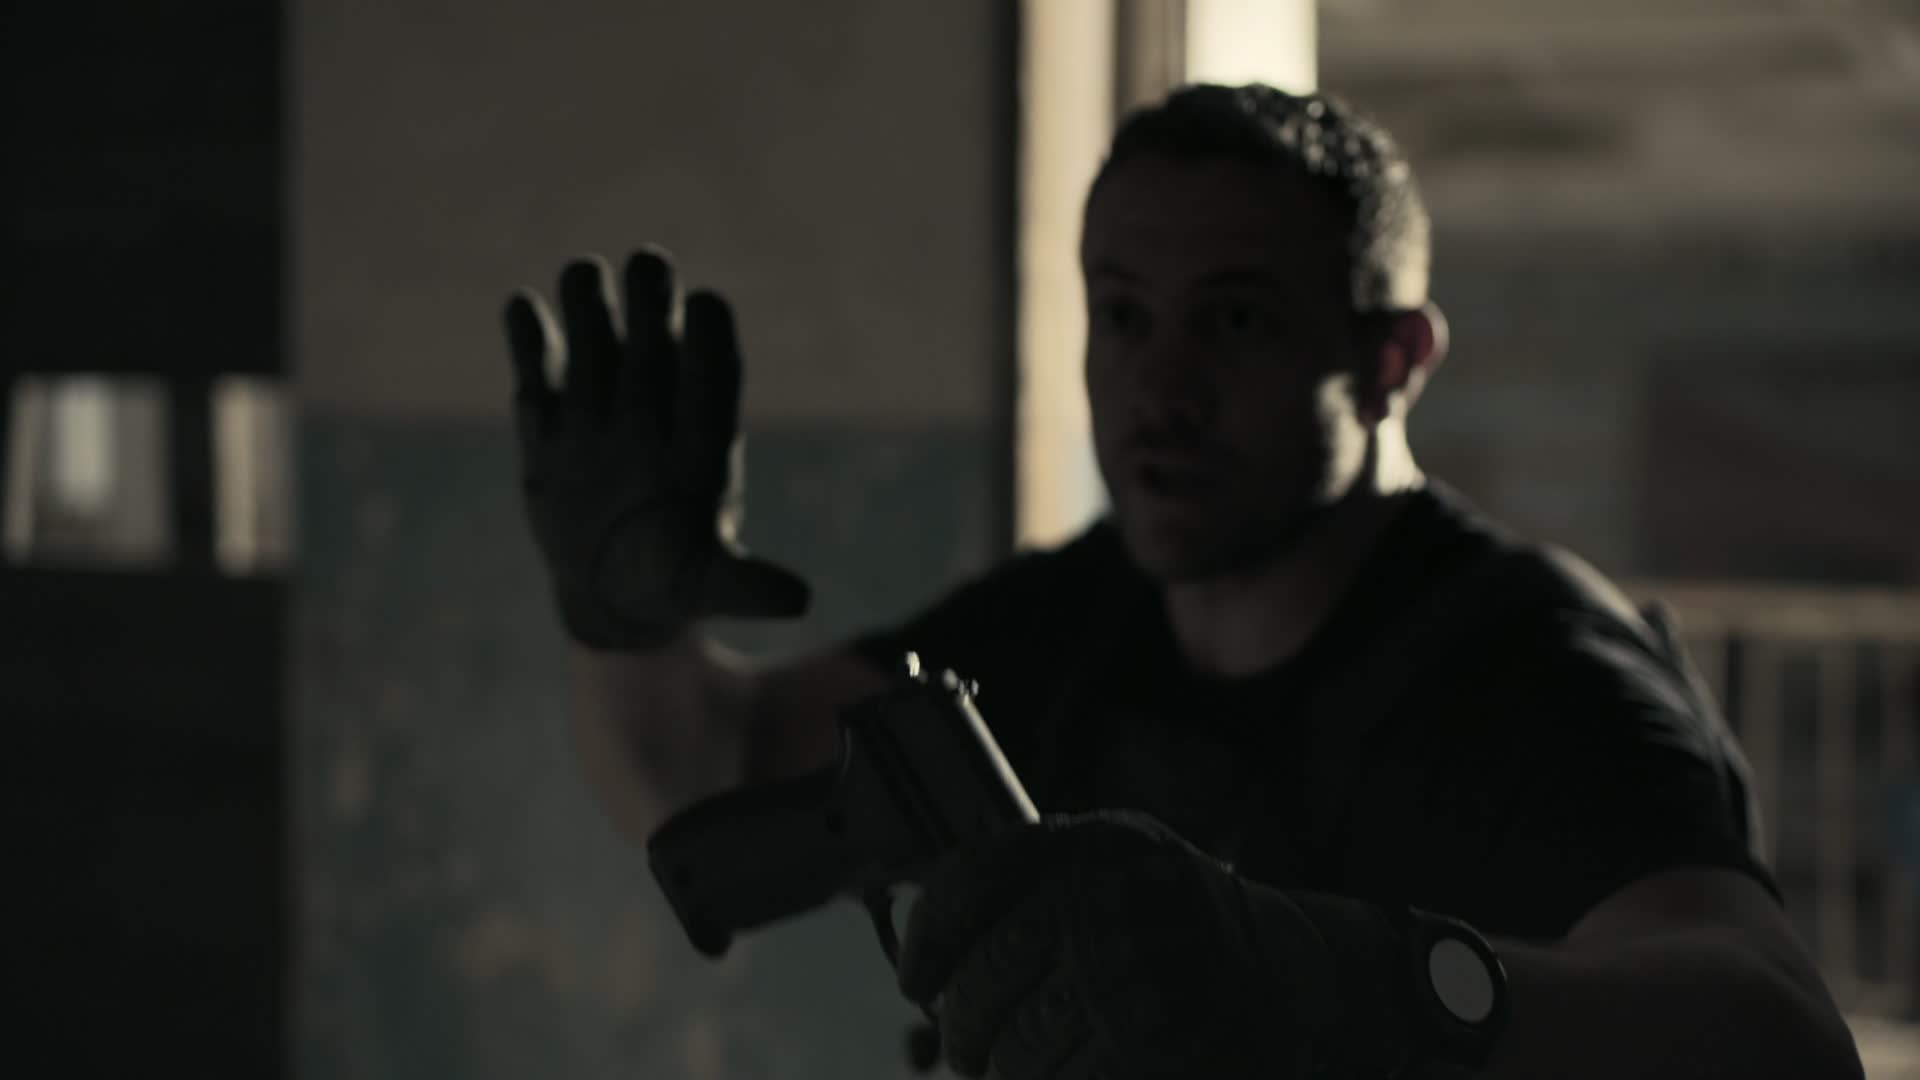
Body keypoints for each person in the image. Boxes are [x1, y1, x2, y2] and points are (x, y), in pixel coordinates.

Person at [504, 85, 1864, 1079]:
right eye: (1123, 314)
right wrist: (624, 623)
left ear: (1391, 362)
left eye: (1234, 319)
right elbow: (700, 776)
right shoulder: (1076, 618)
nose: (1161, 385)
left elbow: (1785, 1045)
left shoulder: (1532, 663)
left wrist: (1335, 978)